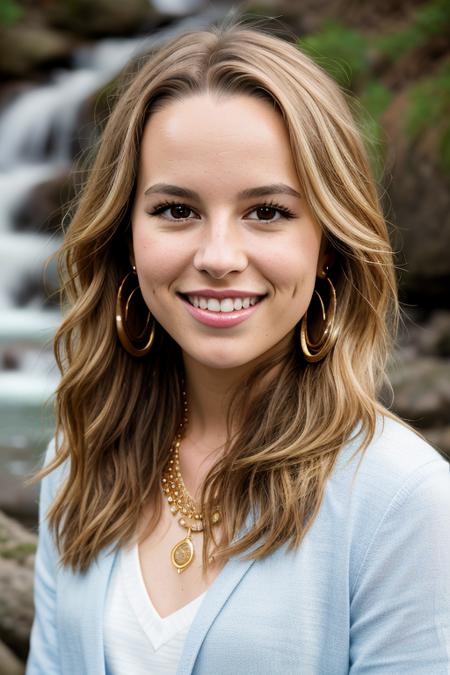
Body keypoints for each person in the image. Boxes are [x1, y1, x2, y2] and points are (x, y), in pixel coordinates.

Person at [26, 18, 450, 675]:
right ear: (123, 237)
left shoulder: (402, 499)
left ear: (330, 245)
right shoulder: (77, 462)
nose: (219, 257)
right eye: (176, 210)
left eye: (267, 212)